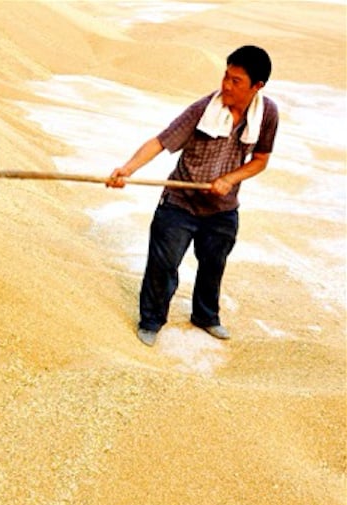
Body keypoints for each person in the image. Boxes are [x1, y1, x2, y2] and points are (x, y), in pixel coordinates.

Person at [108, 45, 278, 347]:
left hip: (223, 209)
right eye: (225, 76)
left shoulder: (267, 114)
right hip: (180, 204)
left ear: (257, 86)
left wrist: (230, 179)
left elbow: (260, 160)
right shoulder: (203, 110)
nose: (226, 85)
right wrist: (127, 169)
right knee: (163, 267)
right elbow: (161, 141)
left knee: (214, 267)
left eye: (236, 80)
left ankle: (206, 317)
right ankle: (151, 321)